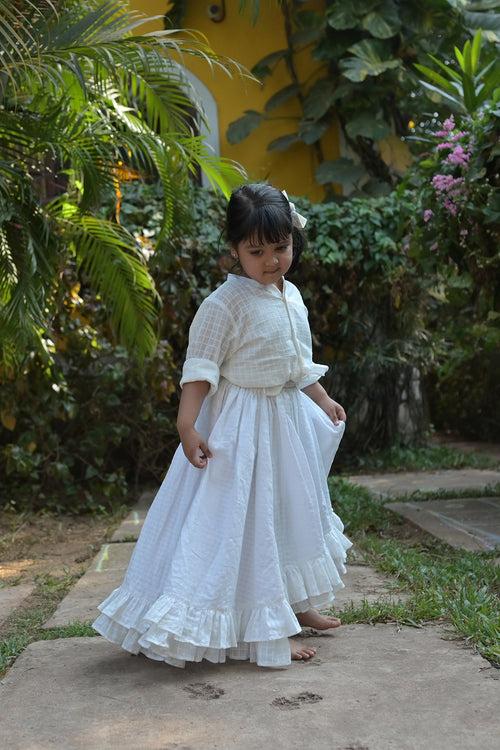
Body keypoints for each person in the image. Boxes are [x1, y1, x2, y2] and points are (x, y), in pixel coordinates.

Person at [92, 182, 353, 669]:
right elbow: (200, 371)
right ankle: (260, 627)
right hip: (241, 429)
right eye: (257, 252)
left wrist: (322, 397)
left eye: (281, 248)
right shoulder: (223, 305)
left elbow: (296, 362)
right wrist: (187, 427)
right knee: (245, 526)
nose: (272, 261)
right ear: (234, 250)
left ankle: (297, 605)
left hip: (284, 425)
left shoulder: (289, 295)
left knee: (289, 514)